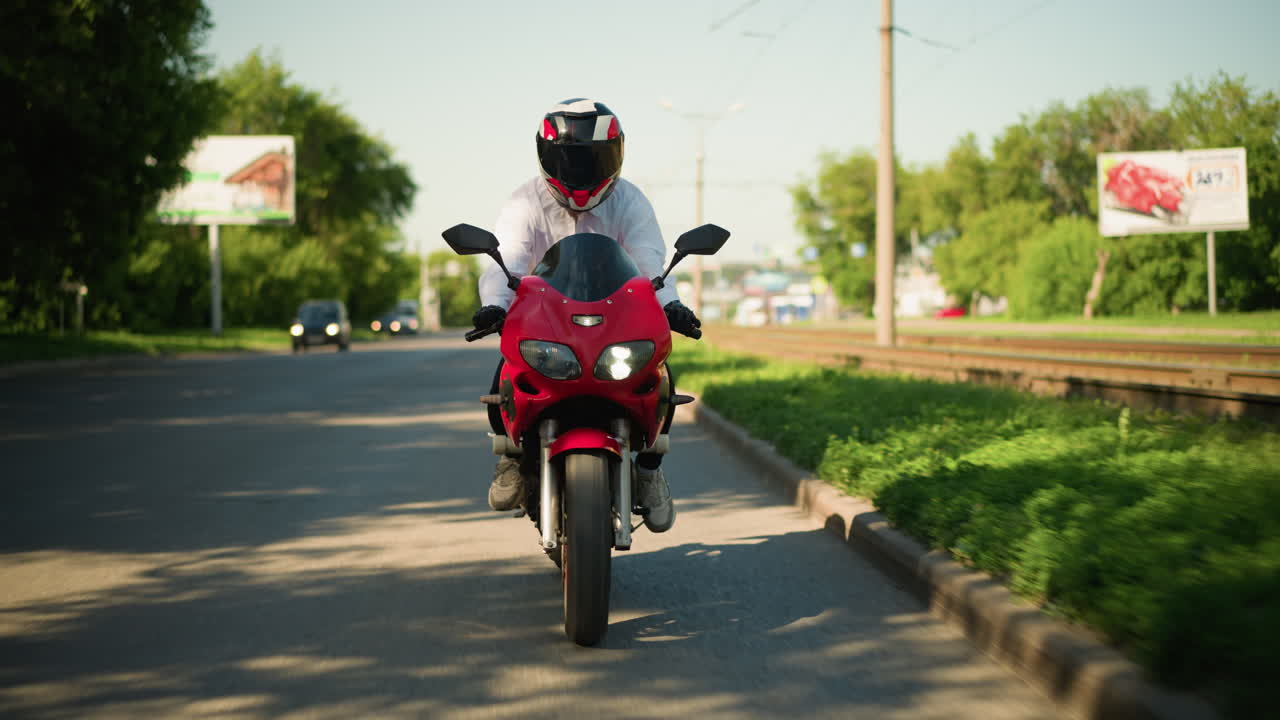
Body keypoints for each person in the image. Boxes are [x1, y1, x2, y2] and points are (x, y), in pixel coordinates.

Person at [472, 97, 701, 533]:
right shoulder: (524, 203)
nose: (581, 171)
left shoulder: (630, 201)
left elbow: (652, 262)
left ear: (615, 156)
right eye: (570, 161)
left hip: (616, 318)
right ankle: (510, 458)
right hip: (545, 319)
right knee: (504, 374)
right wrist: (494, 306)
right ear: (546, 157)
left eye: (593, 159)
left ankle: (650, 466)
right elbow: (507, 260)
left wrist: (669, 304)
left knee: (660, 379)